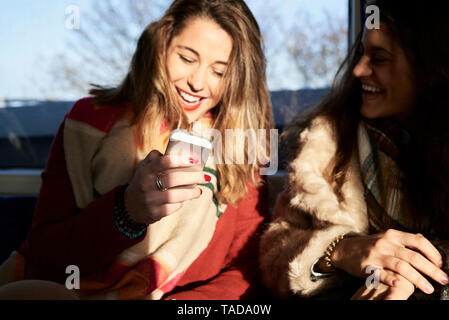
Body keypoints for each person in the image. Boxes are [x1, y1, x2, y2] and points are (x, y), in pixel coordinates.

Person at [0, 0, 273, 300]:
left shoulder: (242, 147)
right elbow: (46, 254)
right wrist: (126, 212)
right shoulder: (89, 122)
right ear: (162, 46)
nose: (197, 82)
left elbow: (244, 267)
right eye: (186, 58)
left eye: (219, 72)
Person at [259, 0, 449, 300]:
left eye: (380, 58)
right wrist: (341, 249)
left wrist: (410, 281)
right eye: (360, 54)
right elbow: (273, 254)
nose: (359, 70)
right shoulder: (325, 143)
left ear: (427, 67)